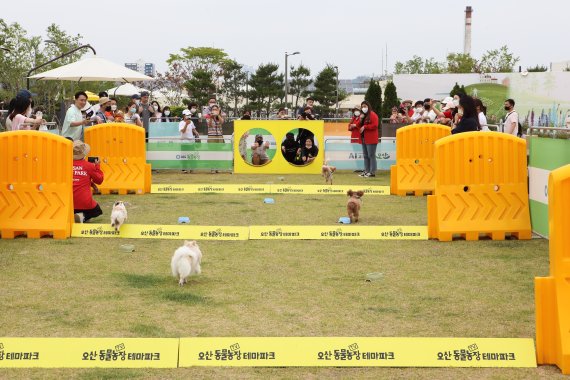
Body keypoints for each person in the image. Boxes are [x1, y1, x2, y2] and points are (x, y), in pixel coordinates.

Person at [72, 140, 104, 223]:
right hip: (84, 202)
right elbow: (99, 180)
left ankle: (73, 216)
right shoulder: (89, 166)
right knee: (97, 211)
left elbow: (76, 178)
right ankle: (82, 217)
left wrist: (92, 184)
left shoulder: (66, 165)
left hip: (68, 202)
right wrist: (97, 166)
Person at [358, 100, 379, 178]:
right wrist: (360, 119)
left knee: (371, 155)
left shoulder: (373, 115)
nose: (363, 108)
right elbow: (358, 125)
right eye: (362, 107)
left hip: (371, 138)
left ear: (368, 107)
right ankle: (366, 171)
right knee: (365, 155)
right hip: (364, 138)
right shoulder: (363, 115)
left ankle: (372, 172)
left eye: (365, 106)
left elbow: (375, 125)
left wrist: (365, 127)